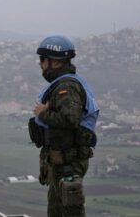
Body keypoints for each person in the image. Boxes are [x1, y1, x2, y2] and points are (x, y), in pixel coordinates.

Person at [28, 35, 99, 217]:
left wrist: (42, 113)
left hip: (68, 163)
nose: (40, 64)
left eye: (43, 59)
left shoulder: (67, 86)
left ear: (56, 62)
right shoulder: (63, 84)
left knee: (68, 212)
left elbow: (70, 119)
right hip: (61, 162)